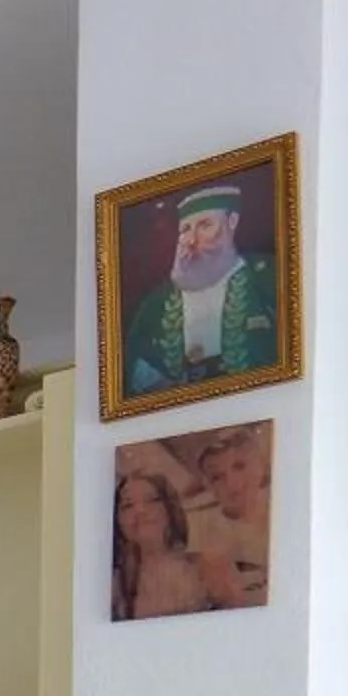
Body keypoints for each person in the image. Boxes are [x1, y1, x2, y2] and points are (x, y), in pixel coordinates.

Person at [125, 183, 280, 395]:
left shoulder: (269, 275)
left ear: (232, 221)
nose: (191, 240)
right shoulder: (157, 302)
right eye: (185, 230)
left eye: (205, 225)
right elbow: (134, 370)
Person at [113, 469, 214, 621]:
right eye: (127, 505)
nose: (140, 511)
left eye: (152, 500)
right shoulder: (115, 586)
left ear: (170, 508)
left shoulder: (207, 567)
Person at [191, 425, 272, 608]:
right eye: (217, 477)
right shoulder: (210, 535)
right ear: (208, 486)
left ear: (260, 464)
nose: (232, 482)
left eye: (240, 466)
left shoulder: (282, 507)